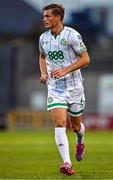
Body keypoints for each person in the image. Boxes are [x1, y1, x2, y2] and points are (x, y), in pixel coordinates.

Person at [39, 3, 90, 176]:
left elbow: (86, 59)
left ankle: (80, 140)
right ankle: (67, 163)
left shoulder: (72, 35)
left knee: (75, 127)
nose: (44, 19)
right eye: (44, 16)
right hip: (55, 88)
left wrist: (65, 70)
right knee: (60, 124)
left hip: (74, 87)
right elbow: (42, 56)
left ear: (58, 17)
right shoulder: (43, 38)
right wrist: (44, 73)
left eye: (47, 16)